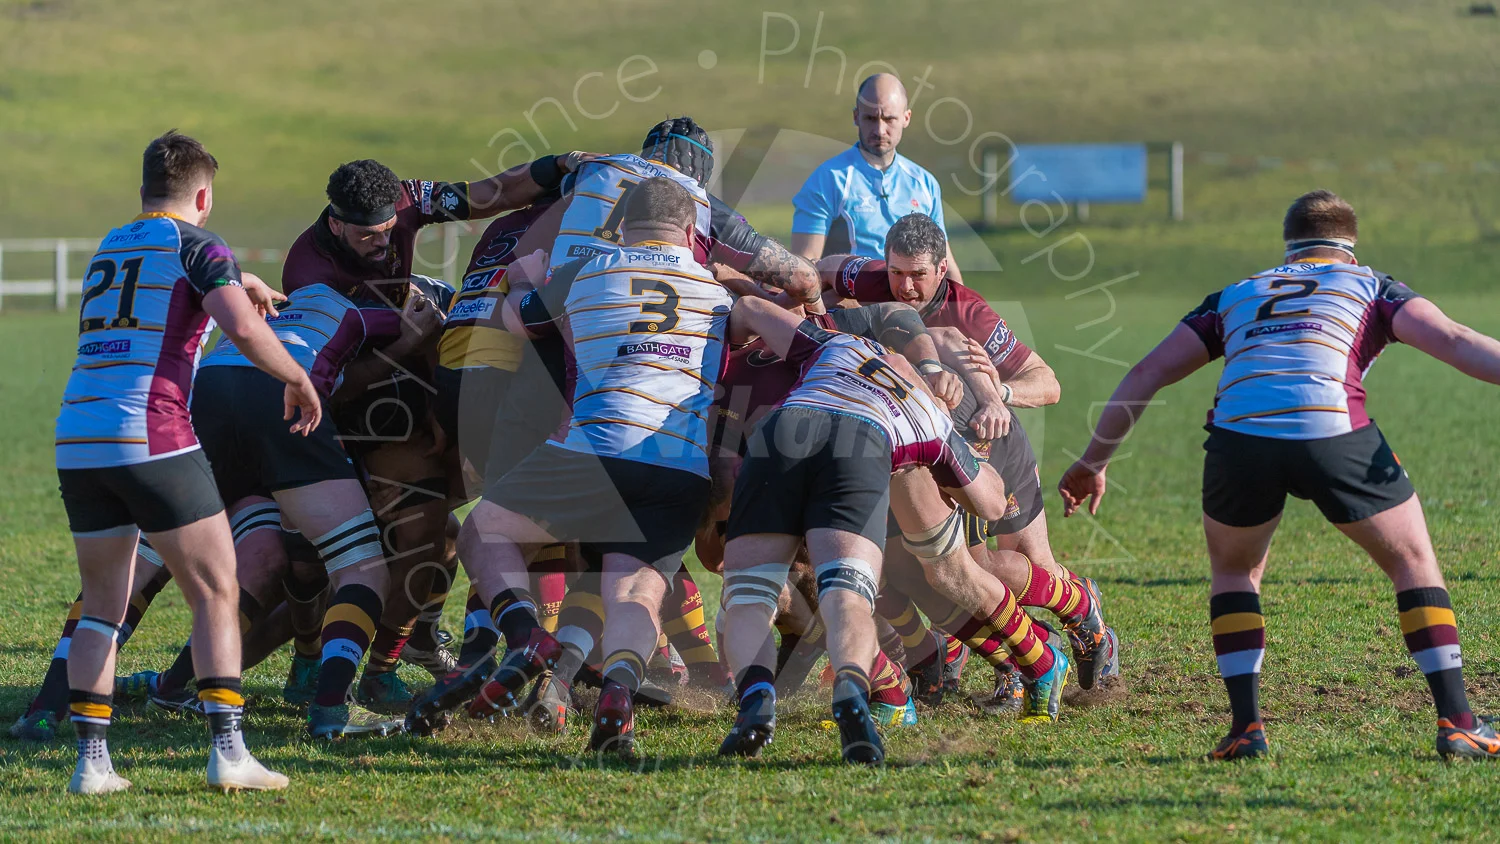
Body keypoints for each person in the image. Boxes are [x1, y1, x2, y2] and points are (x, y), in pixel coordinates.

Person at [1058, 189, 1500, 761]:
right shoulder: (1371, 285)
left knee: (1235, 572)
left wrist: (1094, 460)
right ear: (1350, 247)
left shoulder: (1236, 294)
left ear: (1289, 248)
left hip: (1239, 439)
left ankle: (1246, 729)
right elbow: (1457, 341)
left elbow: (1147, 372)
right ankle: (1459, 722)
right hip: (1331, 430)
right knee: (1412, 560)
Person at [406, 179, 734, 758]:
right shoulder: (717, 292)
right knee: (635, 592)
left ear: (623, 228)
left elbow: (517, 321)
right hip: (679, 466)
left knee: (484, 532)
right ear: (690, 234)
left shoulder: (587, 270)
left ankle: (526, 636)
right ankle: (617, 699)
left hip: (594, 450)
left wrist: (526, 278)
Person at [52, 130, 316, 794]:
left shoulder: (111, 245)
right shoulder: (200, 244)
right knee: (216, 590)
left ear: (144, 190)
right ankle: (229, 752)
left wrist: (238, 281)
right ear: (203, 196)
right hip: (150, 433)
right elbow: (244, 328)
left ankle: (92, 765)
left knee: (103, 606)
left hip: (78, 437)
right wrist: (296, 377)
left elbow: (166, 297)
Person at [715, 296, 1069, 765]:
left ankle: (1042, 660)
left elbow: (750, 307)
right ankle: (866, 692)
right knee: (850, 593)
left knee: (943, 573)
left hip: (784, 438)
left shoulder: (841, 347)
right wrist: (970, 468)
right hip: (855, 452)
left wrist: (728, 332)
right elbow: (987, 500)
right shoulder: (922, 407)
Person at [820, 213, 1116, 697]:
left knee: (1006, 567)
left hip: (988, 441)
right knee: (924, 571)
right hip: (921, 444)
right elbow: (822, 268)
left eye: (919, 275)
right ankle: (1010, 667)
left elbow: (1049, 382)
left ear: (942, 269)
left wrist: (999, 395)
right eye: (897, 273)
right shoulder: (874, 280)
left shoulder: (967, 313)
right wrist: (808, 288)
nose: (906, 287)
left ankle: (1081, 609)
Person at [193, 279, 443, 738]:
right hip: (292, 451)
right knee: (310, 569)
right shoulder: (357, 331)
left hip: (227, 420)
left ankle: (377, 667)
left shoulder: (328, 321)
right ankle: (317, 684)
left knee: (432, 537)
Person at [791, 74, 961, 282]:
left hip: (910, 297)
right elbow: (804, 267)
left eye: (889, 119)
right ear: (856, 117)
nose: (880, 130)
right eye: (870, 119)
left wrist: (965, 301)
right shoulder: (827, 179)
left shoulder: (925, 183)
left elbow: (945, 264)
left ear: (906, 118)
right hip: (849, 300)